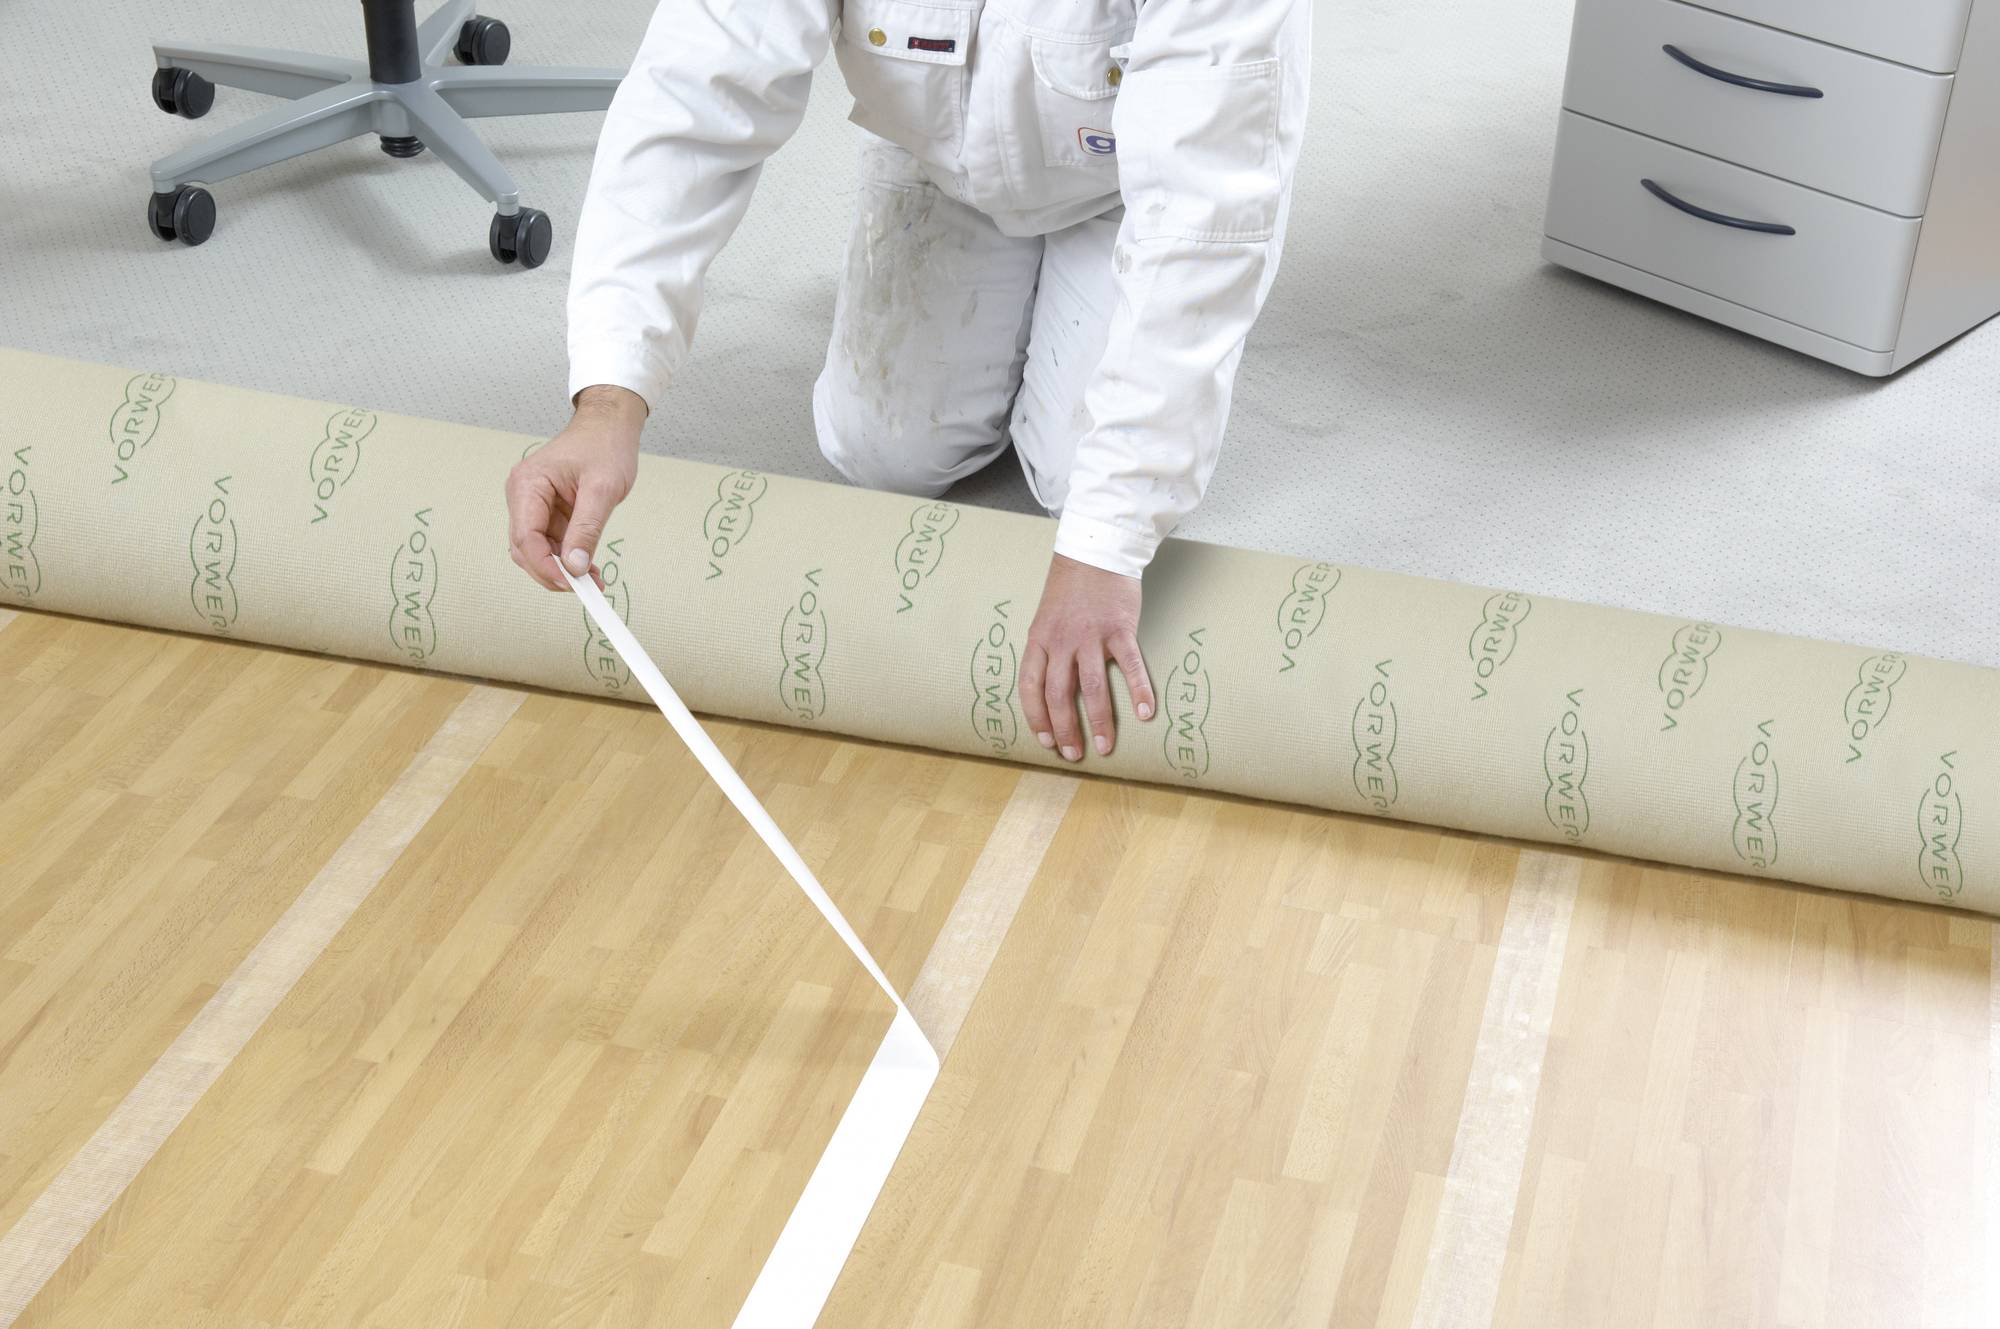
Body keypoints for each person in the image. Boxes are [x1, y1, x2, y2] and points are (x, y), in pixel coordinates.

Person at [506, 0, 1308, 763]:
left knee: (1084, 485)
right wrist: (609, 398)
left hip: (1130, 187)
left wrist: (1105, 546)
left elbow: (1198, 221)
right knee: (880, 452)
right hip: (944, 156)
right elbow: (689, 101)